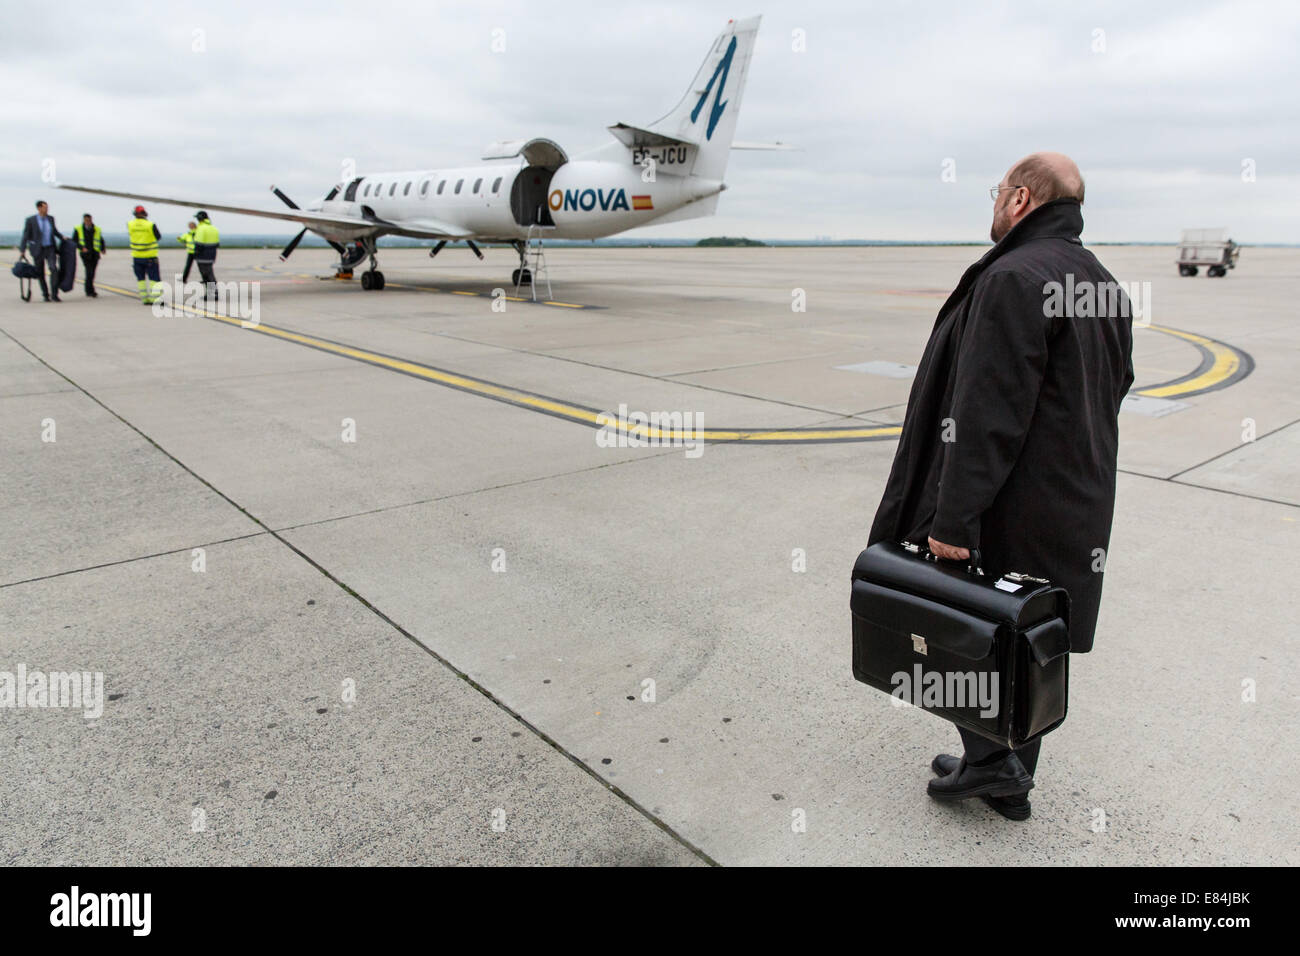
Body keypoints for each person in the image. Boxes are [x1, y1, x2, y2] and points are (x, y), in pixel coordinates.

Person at [866, 152, 1134, 821]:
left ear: (1019, 200)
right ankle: (1003, 775)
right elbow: (1115, 386)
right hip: (1075, 497)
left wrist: (953, 521)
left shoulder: (1013, 276)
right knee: (1028, 639)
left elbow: (984, 413)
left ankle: (995, 766)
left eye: (997, 194)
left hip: (1010, 498)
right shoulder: (1100, 280)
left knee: (979, 632)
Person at [19, 200, 64, 302]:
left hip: (50, 248)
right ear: (39, 208)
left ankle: (54, 294)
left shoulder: (51, 219)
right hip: (37, 249)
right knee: (40, 273)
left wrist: (62, 238)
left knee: (54, 269)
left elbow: (55, 231)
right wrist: (22, 249)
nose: (47, 209)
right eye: (45, 207)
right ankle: (45, 294)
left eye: (47, 207)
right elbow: (25, 235)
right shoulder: (31, 220)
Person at [127, 204, 163, 304]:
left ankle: (144, 299)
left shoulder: (130, 224)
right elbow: (158, 237)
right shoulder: (150, 224)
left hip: (136, 256)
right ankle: (154, 299)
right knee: (154, 278)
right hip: (150, 255)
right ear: (144, 213)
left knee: (140, 279)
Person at [73, 213, 107, 297]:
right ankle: (90, 291)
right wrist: (81, 248)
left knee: (92, 272)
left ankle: (88, 289)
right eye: (86, 220)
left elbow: (100, 239)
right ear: (84, 220)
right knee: (89, 272)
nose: (88, 222)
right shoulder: (79, 229)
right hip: (85, 254)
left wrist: (102, 248)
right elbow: (74, 241)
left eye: (89, 220)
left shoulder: (96, 229)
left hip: (95, 253)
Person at [192, 211, 219, 297]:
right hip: (211, 254)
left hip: (202, 255)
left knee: (206, 274)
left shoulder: (201, 228)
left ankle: (212, 293)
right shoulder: (213, 228)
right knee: (209, 273)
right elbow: (217, 243)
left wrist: (196, 253)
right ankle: (212, 292)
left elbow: (199, 243)